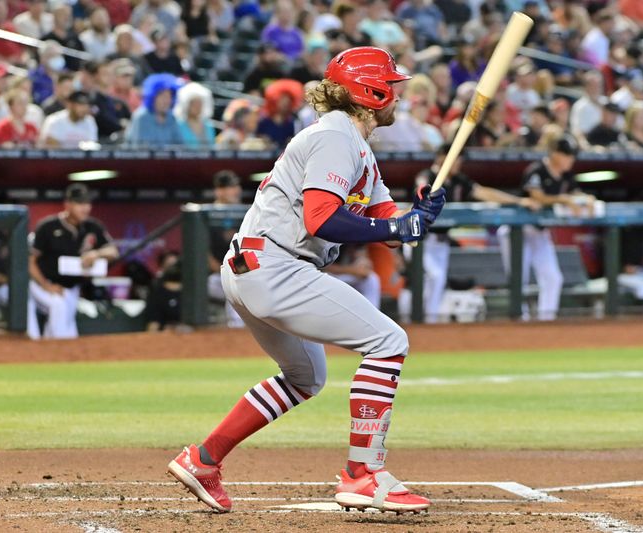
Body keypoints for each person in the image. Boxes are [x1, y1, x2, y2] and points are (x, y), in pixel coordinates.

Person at [167, 46, 443, 515]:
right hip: (277, 265)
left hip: (255, 267)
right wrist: (395, 228)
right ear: (369, 92)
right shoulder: (336, 137)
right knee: (388, 342)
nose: (399, 95)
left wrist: (415, 219)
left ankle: (204, 459)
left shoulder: (358, 148)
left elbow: (386, 226)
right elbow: (322, 219)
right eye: (391, 86)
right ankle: (363, 474)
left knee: (306, 377)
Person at [414, 144, 538, 323]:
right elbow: (421, 189)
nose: (457, 163)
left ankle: (430, 322)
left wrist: (518, 200)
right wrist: (427, 195)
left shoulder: (458, 180)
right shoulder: (428, 175)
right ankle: (423, 321)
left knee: (437, 281)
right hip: (421, 239)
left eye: (459, 159)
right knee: (434, 277)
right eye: (454, 158)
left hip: (441, 242)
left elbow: (483, 192)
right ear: (441, 157)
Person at [498, 134, 592, 321]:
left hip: (540, 232)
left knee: (553, 278)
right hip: (518, 231)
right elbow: (537, 196)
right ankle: (519, 320)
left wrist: (585, 200)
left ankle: (546, 320)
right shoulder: (537, 170)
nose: (570, 159)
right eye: (566, 154)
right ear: (555, 154)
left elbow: (576, 194)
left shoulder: (566, 175)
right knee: (519, 279)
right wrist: (565, 199)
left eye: (571, 155)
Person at [28, 184, 119, 339]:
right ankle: (53, 351)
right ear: (68, 204)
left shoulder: (92, 226)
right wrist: (46, 285)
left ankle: (50, 354)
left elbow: (113, 252)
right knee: (58, 307)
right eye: (80, 203)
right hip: (41, 284)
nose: (85, 208)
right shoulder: (48, 226)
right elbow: (30, 261)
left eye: (88, 203)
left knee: (68, 331)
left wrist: (96, 254)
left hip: (70, 288)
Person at [206, 170, 245, 328]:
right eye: (231, 186)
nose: (237, 190)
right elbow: (204, 254)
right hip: (213, 278)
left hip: (242, 272)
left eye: (237, 186)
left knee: (237, 284)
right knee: (233, 287)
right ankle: (235, 335)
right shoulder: (207, 214)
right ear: (219, 190)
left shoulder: (246, 213)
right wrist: (226, 273)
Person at [125, 73, 183, 146]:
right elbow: (138, 148)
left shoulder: (171, 117)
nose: (167, 101)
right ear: (153, 97)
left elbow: (180, 146)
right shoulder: (141, 117)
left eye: (169, 97)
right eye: (163, 97)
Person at [174, 82, 215, 146]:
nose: (197, 107)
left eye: (199, 104)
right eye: (194, 104)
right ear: (186, 105)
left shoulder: (208, 125)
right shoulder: (178, 125)